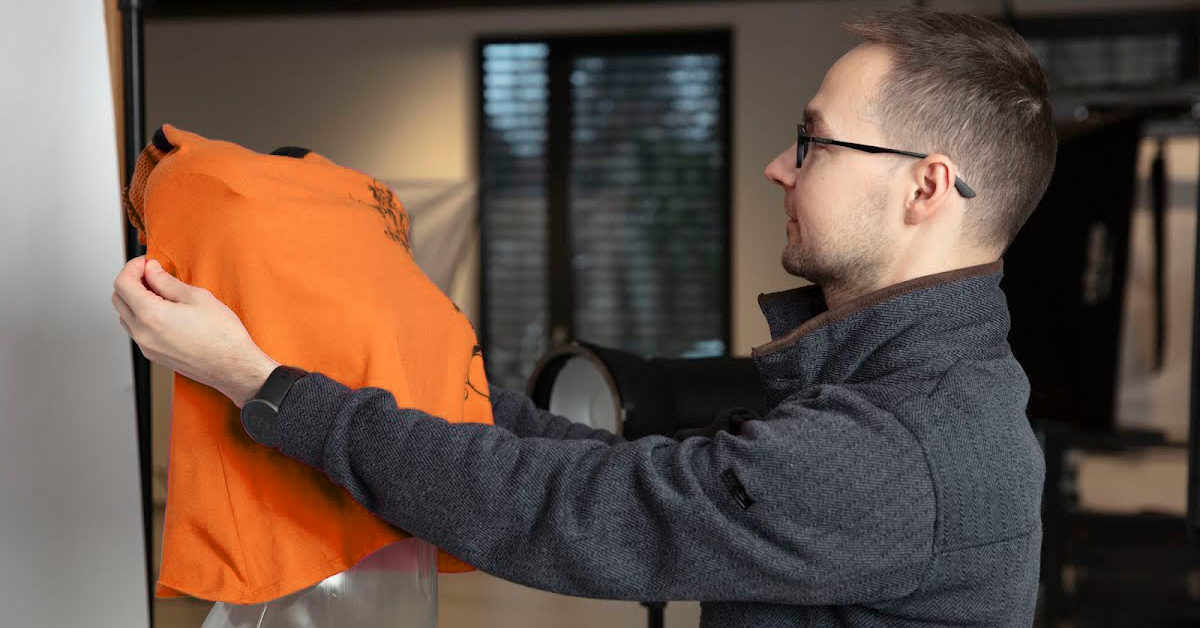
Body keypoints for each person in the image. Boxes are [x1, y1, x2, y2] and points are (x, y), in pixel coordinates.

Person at [112, 7, 1055, 627]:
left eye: (813, 139)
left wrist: (259, 385)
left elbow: (569, 512)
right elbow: (622, 469)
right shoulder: (906, 389)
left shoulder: (898, 447)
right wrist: (436, 366)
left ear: (928, 187)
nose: (780, 164)